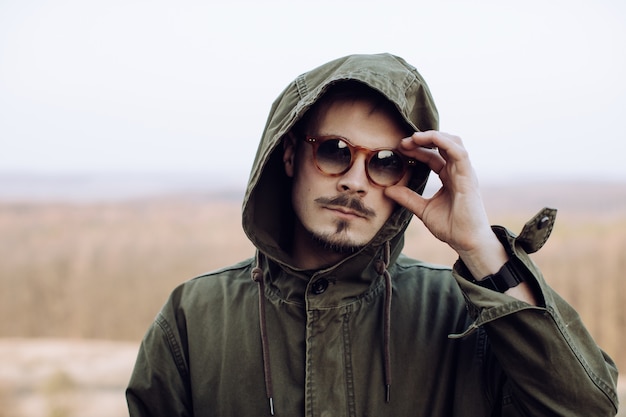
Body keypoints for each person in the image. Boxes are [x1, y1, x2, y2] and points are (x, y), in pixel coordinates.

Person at [126, 53, 619, 416]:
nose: (355, 181)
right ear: (290, 155)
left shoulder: (466, 317)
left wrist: (482, 249)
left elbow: (586, 410)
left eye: (386, 163)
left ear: (408, 179)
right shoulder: (195, 319)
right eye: (335, 150)